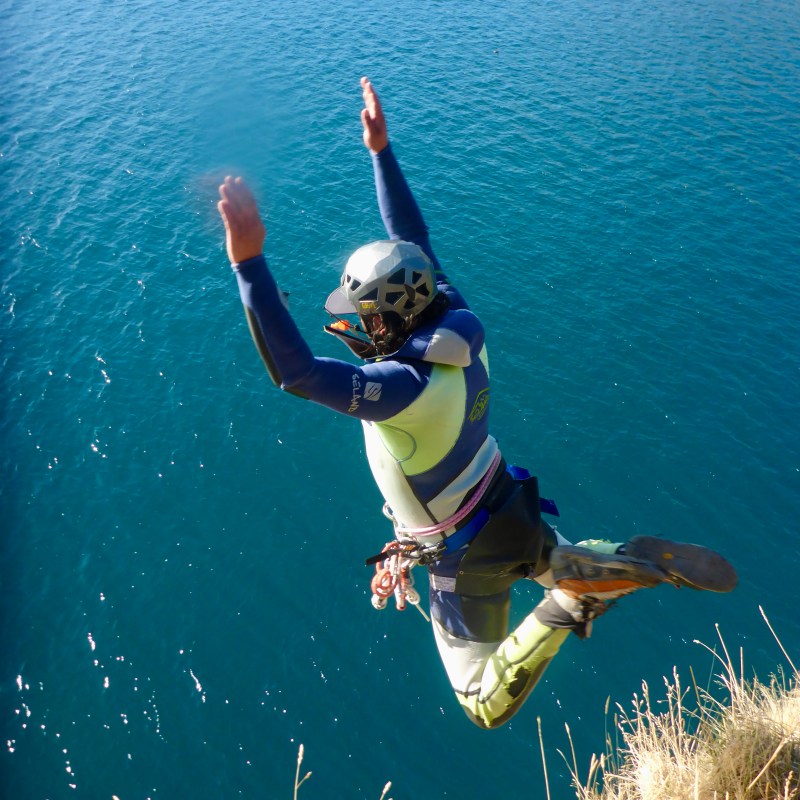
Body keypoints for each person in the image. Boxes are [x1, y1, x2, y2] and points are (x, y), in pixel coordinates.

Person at [217, 77, 737, 729]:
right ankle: (608, 561)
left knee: (483, 702)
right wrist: (380, 150)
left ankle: (570, 600)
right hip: (503, 500)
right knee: (548, 557)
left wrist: (249, 266)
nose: (352, 322)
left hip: (466, 556)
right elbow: (410, 234)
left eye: (362, 314)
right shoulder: (455, 316)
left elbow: (294, 373)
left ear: (384, 322)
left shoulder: (400, 392)